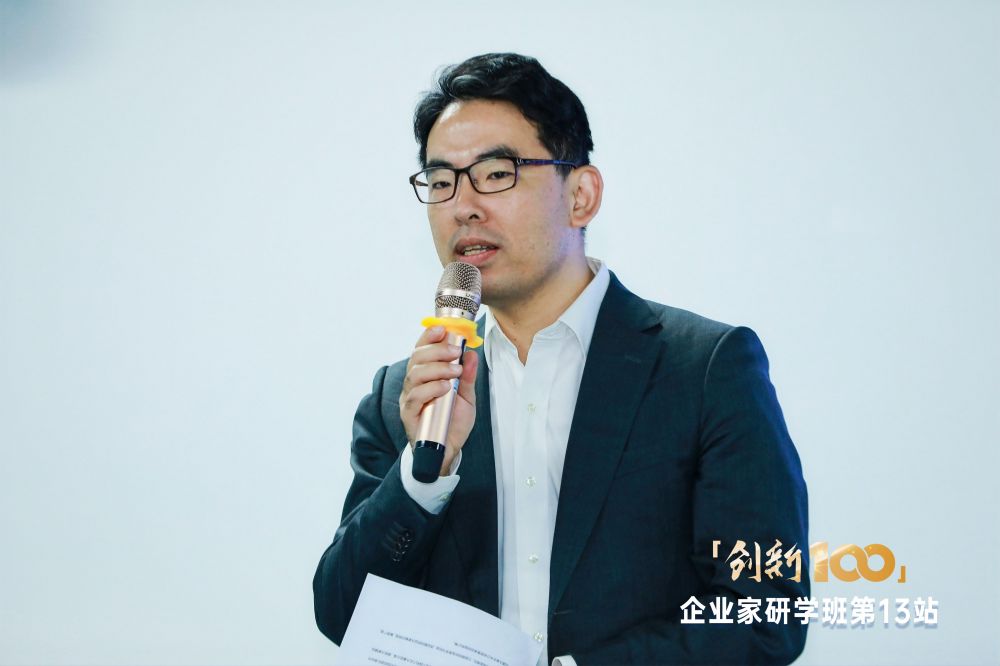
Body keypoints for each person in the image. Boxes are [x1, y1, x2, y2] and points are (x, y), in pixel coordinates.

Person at [313, 52, 809, 665]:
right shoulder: (403, 398)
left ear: (581, 195)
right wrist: (423, 475)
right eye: (441, 182)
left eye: (495, 173)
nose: (463, 205)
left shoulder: (702, 370)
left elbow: (767, 611)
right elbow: (343, 615)